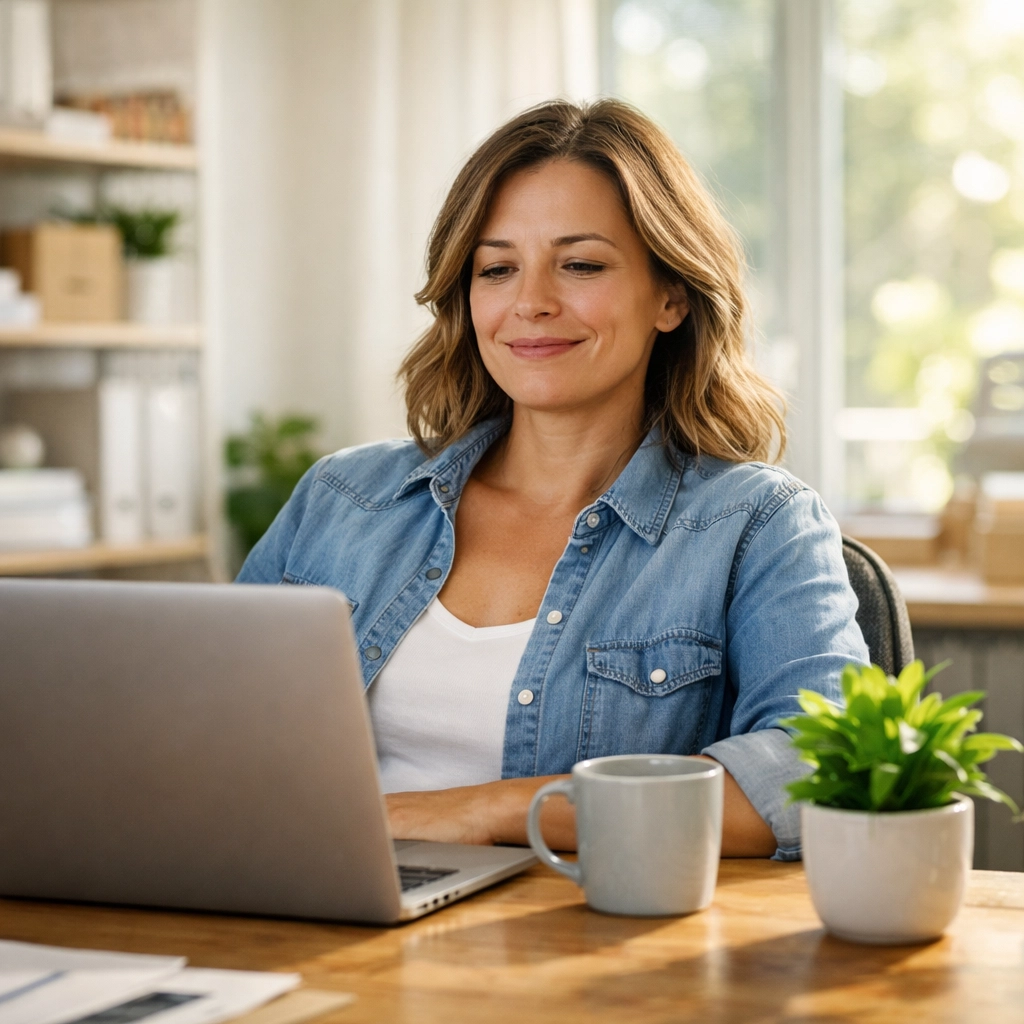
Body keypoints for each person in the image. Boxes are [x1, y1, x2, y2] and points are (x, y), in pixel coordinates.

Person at [238, 99, 868, 861]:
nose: (531, 302)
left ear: (670, 295)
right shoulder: (345, 498)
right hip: (309, 912)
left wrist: (489, 812)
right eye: (497, 268)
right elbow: (210, 726)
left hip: (581, 951)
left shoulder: (758, 524)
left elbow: (820, 773)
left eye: (580, 264)